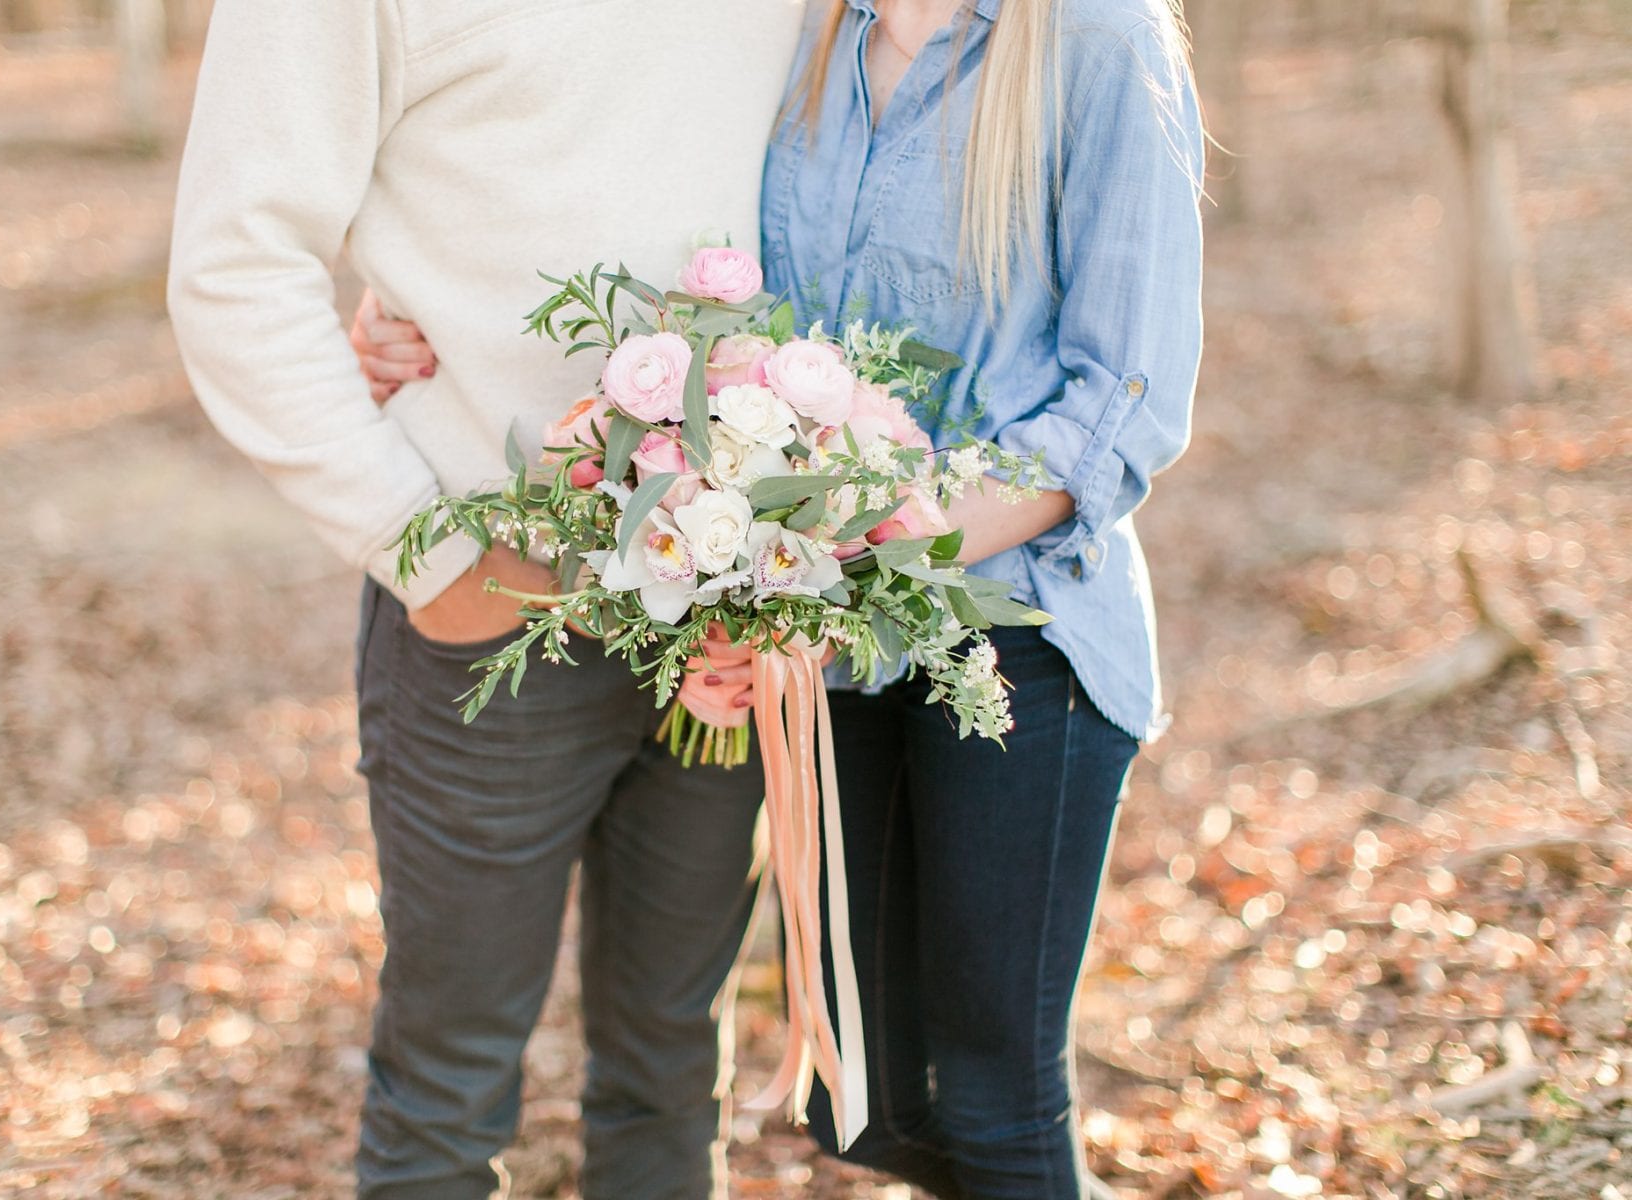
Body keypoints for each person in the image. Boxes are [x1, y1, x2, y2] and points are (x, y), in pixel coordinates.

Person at [359, 1, 1203, 1195]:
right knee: (857, 1106)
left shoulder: (1095, 42)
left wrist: (870, 532)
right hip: (837, 650)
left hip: (1020, 640)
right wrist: (410, 302)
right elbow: (615, 189)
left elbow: (1123, 402)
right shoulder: (798, 29)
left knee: (996, 1098)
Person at [164, 4, 806, 1198]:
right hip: (495, 617)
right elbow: (231, 261)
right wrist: (428, 555)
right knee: (447, 1102)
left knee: (674, 1071)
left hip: (727, 607)